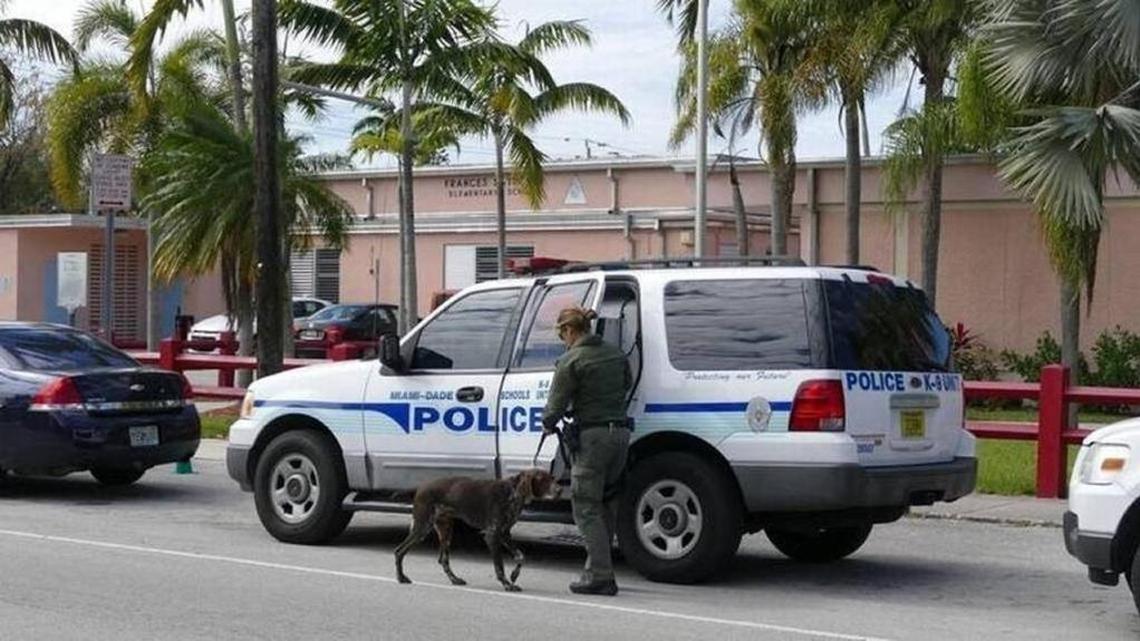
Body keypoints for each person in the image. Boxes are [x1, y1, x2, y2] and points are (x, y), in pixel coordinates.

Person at [542, 306, 632, 596]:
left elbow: (554, 407)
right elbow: (627, 385)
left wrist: (547, 423)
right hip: (620, 435)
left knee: (586, 507)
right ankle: (597, 569)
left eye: (562, 335)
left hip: (592, 439)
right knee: (607, 504)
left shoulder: (572, 360)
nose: (563, 341)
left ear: (569, 330)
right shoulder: (616, 354)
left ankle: (601, 576)